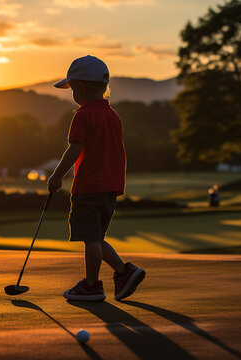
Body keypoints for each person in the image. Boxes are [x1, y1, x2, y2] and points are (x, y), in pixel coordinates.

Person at [48, 55, 145, 302]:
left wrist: (57, 176)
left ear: (79, 89)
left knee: (90, 238)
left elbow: (74, 149)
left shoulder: (82, 116)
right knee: (95, 237)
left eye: (72, 88)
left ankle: (91, 285)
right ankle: (124, 272)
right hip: (110, 187)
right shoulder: (113, 115)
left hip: (89, 186)